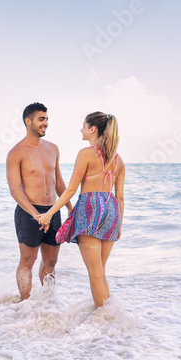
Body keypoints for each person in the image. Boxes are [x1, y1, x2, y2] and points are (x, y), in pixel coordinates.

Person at [36, 112, 124, 308]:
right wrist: (119, 226)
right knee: (100, 271)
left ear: (92, 129)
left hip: (91, 210)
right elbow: (120, 197)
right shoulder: (118, 161)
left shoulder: (86, 153)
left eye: (83, 126)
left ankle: (105, 318)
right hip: (112, 211)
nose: (81, 130)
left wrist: (49, 213)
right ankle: (111, 317)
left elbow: (71, 189)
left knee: (94, 273)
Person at [6, 102, 73, 300]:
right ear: (28, 121)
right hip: (29, 212)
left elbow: (58, 182)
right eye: (41, 119)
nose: (45, 123)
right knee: (28, 259)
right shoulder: (16, 152)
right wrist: (35, 215)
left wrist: (69, 207)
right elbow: (15, 189)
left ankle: (47, 301)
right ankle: (25, 304)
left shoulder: (53, 149)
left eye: (46, 119)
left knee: (51, 259)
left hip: (53, 210)